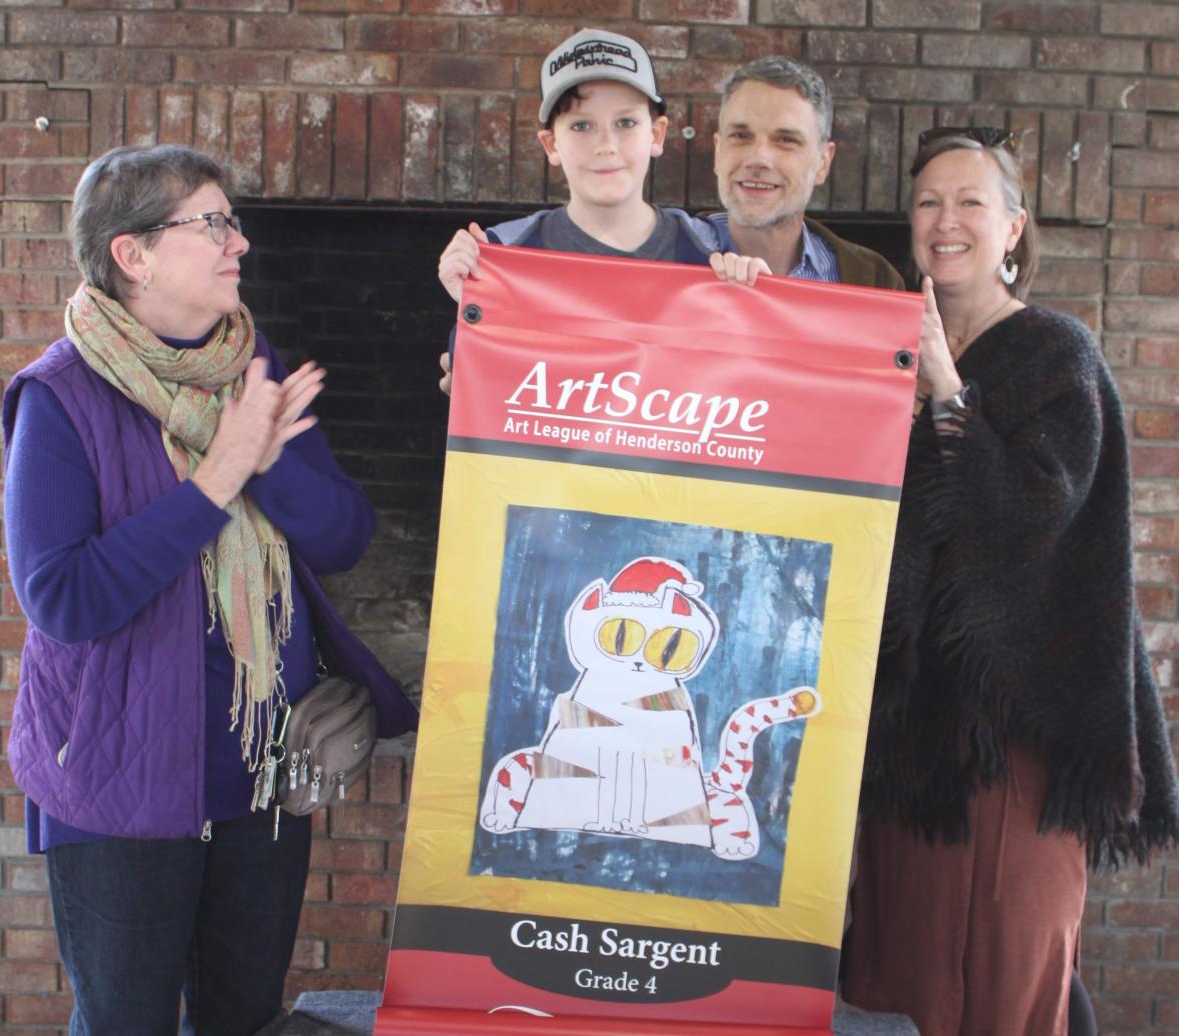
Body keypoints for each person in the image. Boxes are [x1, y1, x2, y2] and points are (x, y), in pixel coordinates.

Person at [1, 144, 418, 1036]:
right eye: (213, 223)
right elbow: (63, 599)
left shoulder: (251, 368)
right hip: (120, 784)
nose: (240, 242)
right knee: (128, 1024)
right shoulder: (60, 398)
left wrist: (267, 469)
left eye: (232, 221)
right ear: (133, 253)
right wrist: (214, 481)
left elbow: (345, 537)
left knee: (242, 1020)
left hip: (262, 775)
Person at [840, 126, 1179, 1035]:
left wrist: (949, 391)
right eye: (927, 203)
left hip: (1019, 718)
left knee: (1010, 963)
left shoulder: (1056, 351)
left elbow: (1036, 515)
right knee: (915, 974)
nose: (945, 221)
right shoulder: (882, 344)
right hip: (912, 721)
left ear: (1015, 226)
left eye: (970, 202)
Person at [436, 27, 766, 392]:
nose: (606, 145)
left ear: (656, 134)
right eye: (581, 125)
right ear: (551, 145)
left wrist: (761, 305)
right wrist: (469, 303)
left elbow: (748, 388)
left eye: (625, 123)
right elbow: (480, 393)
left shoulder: (712, 252)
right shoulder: (507, 252)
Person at [708, 56, 903, 290]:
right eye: (741, 136)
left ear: (823, 162)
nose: (758, 159)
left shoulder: (876, 281)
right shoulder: (664, 253)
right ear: (718, 151)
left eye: (785, 140)